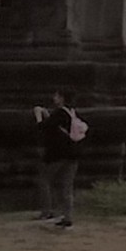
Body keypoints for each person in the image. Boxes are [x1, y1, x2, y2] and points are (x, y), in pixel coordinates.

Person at [32, 90, 82, 229]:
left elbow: (42, 127)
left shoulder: (59, 113)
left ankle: (47, 212)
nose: (54, 98)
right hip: (72, 154)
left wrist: (38, 114)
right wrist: (47, 114)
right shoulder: (71, 112)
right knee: (67, 186)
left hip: (57, 154)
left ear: (62, 98)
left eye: (56, 96)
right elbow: (56, 125)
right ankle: (68, 218)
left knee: (44, 179)